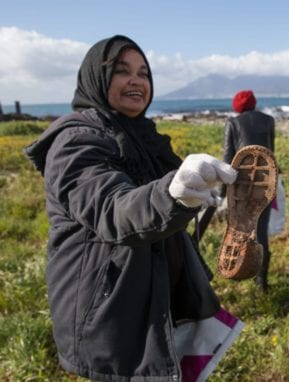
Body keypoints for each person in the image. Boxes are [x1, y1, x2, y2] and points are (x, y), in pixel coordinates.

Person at [24, 35, 237, 381]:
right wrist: (174, 194)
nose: (137, 81)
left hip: (150, 292)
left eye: (144, 73)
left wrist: (206, 196)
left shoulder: (142, 136)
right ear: (96, 78)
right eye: (122, 71)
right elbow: (114, 210)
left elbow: (163, 212)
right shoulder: (74, 141)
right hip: (107, 306)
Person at [223, 90, 276, 291]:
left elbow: (228, 159)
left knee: (242, 231)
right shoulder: (269, 120)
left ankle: (241, 270)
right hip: (266, 182)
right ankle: (262, 282)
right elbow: (271, 152)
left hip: (243, 187)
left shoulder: (233, 123)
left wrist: (222, 193)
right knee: (261, 231)